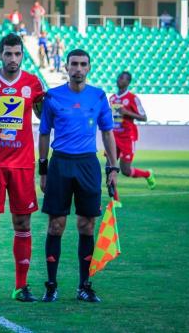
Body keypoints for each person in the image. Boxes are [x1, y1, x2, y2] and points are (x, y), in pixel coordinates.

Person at [38, 49, 119, 303]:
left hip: (87, 164)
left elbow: (107, 133)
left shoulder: (98, 96)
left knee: (87, 225)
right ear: (66, 66)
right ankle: (51, 285)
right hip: (60, 163)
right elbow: (43, 133)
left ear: (89, 67)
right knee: (56, 225)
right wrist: (43, 168)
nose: (78, 69)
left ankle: (84, 285)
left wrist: (113, 168)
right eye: (74, 64)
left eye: (83, 64)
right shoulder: (52, 96)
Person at [0, 33, 45, 303]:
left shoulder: (32, 83)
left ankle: (21, 286)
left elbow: (42, 115)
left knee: (22, 222)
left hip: (23, 164)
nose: (12, 59)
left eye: (17, 54)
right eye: (8, 54)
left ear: (22, 56)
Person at [109, 71, 156, 188]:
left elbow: (144, 117)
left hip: (127, 137)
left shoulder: (132, 98)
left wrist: (127, 112)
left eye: (122, 78)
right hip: (114, 136)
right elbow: (116, 118)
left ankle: (147, 174)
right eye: (119, 77)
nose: (119, 79)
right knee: (110, 167)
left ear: (128, 82)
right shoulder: (112, 98)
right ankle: (114, 201)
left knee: (125, 170)